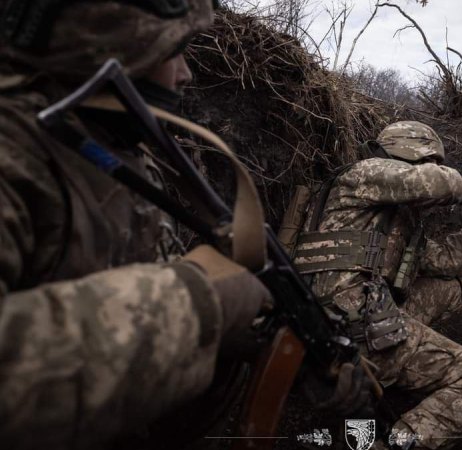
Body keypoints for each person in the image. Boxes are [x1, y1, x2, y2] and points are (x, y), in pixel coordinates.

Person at [0, 1, 369, 448]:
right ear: (110, 49)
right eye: (172, 50)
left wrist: (269, 345)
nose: (185, 73)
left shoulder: (115, 151)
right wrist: (201, 303)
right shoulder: (17, 154)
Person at [293, 121, 462, 449]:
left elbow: (448, 261)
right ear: (413, 154)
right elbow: (432, 183)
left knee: (448, 289)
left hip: (341, 317)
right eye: (433, 162)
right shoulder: (365, 172)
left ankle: (384, 382)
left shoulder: (391, 223)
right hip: (349, 325)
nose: (437, 168)